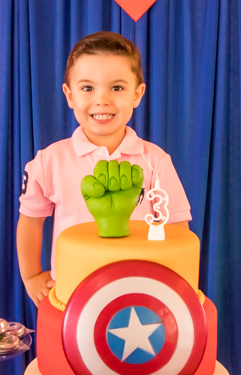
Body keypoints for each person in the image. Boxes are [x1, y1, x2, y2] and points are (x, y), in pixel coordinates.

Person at [17, 31, 191, 305]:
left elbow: (178, 227)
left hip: (140, 295)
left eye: (117, 88)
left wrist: (172, 285)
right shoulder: (49, 160)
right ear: (69, 95)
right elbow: (30, 220)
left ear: (137, 94)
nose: (102, 99)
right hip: (71, 296)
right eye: (88, 88)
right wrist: (31, 276)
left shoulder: (155, 160)